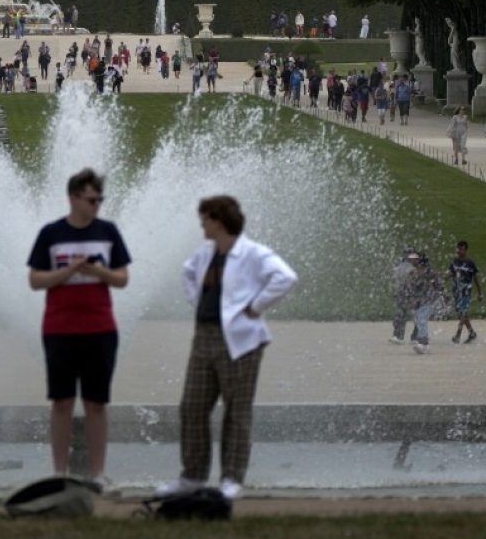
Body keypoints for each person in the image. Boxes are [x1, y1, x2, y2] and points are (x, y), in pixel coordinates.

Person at [158, 195, 297, 501]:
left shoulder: (253, 253)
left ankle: (232, 478)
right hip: (205, 336)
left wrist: (256, 306)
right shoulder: (206, 253)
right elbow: (187, 273)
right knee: (192, 406)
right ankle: (192, 476)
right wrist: (200, 303)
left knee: (237, 410)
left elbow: (285, 277)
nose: (201, 225)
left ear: (218, 221)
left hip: (242, 341)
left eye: (205, 219)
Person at [27, 169, 131, 485]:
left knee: (96, 403)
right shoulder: (51, 234)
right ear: (73, 197)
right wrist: (68, 270)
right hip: (59, 329)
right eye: (90, 199)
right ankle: (60, 473)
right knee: (61, 402)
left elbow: (123, 279)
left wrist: (99, 272)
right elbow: (35, 280)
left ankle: (98, 473)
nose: (96, 205)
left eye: (99, 200)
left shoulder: (108, 231)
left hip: (100, 328)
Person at [402, 251, 443, 354]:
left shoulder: (430, 272)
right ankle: (426, 345)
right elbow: (408, 287)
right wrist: (408, 299)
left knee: (421, 320)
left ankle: (421, 342)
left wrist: (438, 295)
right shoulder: (412, 273)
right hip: (417, 302)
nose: (413, 261)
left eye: (416, 259)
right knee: (419, 321)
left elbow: (438, 286)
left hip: (429, 300)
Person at [448, 241, 481, 344]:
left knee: (463, 312)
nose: (459, 250)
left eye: (461, 249)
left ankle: (458, 335)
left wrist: (480, 292)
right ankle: (472, 333)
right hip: (457, 291)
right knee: (462, 313)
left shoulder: (470, 262)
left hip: (466, 290)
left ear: (466, 250)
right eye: (458, 248)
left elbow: (476, 278)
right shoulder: (454, 261)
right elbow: (449, 273)